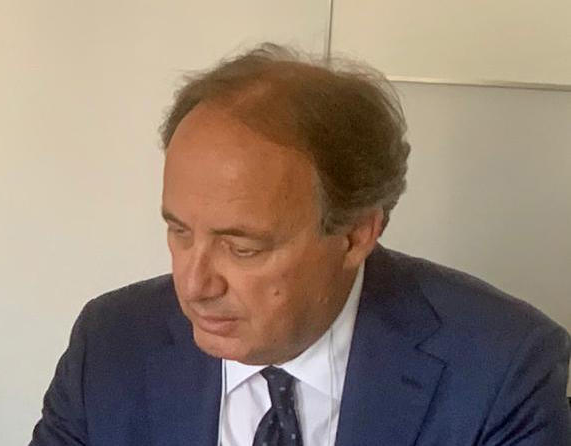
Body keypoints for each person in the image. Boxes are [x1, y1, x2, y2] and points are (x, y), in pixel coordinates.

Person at [29, 44, 570, 446]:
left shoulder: (500, 368)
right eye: (180, 232)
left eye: (242, 248)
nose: (194, 286)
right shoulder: (111, 345)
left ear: (356, 234)